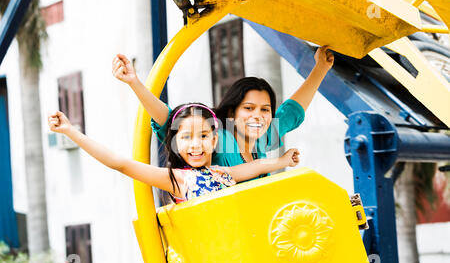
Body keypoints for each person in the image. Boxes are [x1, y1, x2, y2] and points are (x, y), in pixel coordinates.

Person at [112, 45, 333, 181]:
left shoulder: (262, 139)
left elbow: (291, 112)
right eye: (248, 108)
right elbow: (170, 120)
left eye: (265, 110)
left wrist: (320, 69)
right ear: (231, 112)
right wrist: (135, 84)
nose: (258, 116)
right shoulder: (217, 137)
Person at [47, 104, 299, 204]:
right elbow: (121, 164)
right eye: (186, 137)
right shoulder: (178, 179)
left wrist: (282, 160)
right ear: (176, 144)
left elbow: (253, 168)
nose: (195, 144)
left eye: (202, 136)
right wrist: (71, 131)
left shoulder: (223, 173)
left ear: (214, 140)